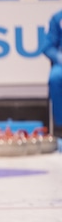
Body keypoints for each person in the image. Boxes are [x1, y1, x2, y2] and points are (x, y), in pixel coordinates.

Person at [41, 9, 62, 137]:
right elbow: (47, 47)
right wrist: (59, 57)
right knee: (55, 77)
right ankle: (60, 126)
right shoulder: (57, 18)